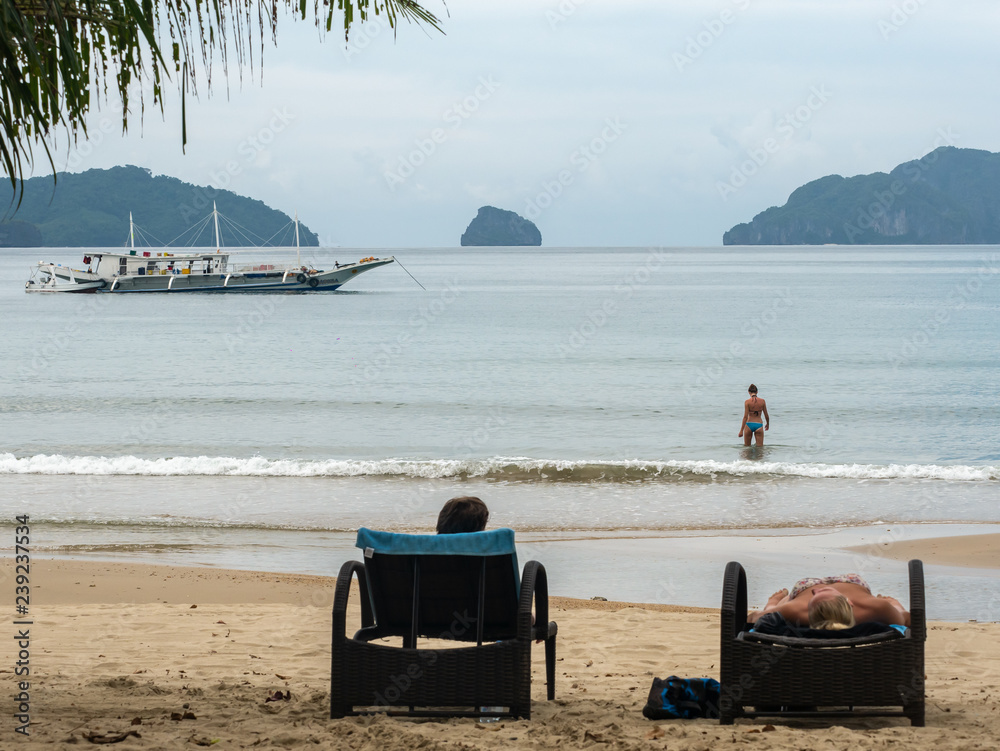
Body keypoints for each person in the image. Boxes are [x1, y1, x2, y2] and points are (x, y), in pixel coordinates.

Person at [748, 573, 910, 629]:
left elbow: (757, 616)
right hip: (852, 582)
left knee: (787, 601)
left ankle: (780, 599)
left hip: (804, 585)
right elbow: (905, 617)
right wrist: (893, 603)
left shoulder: (797, 609)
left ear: (809, 612)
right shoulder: (875, 606)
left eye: (814, 596)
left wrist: (773, 603)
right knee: (891, 605)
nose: (815, 590)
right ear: (849, 601)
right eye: (821, 591)